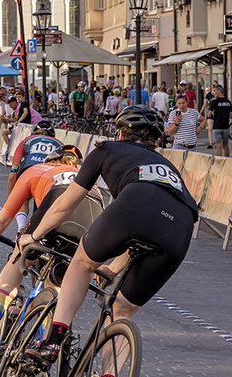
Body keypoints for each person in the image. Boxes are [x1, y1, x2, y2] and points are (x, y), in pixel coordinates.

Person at [20, 105, 198, 370]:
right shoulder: (169, 166)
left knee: (81, 263)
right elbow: (149, 224)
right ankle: (110, 374)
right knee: (121, 311)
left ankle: (54, 341)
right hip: (181, 227)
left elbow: (64, 205)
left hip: (135, 207)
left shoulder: (108, 149)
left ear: (120, 133)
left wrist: (34, 235)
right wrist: (114, 267)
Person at [0, 145, 101, 341]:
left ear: (50, 160)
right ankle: (41, 338)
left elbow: (2, 219)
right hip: (93, 212)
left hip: (59, 203)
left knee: (19, 255)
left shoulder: (37, 169)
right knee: (55, 282)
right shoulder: (85, 176)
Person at [207, 84, 232, 158]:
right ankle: (227, 159)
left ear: (219, 91)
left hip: (217, 126)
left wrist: (213, 113)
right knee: (225, 145)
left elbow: (209, 114)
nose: (214, 93)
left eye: (215, 91)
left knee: (218, 145)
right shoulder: (228, 102)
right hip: (226, 126)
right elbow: (231, 115)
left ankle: (220, 161)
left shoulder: (214, 102)